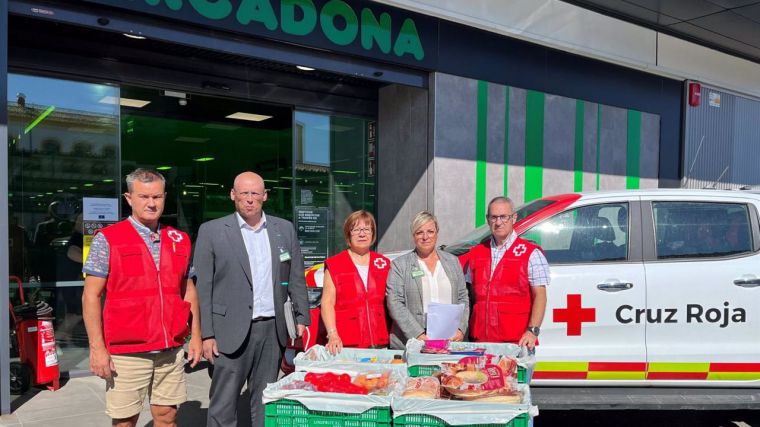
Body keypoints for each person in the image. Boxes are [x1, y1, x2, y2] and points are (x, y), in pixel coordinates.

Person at [82, 168, 202, 427]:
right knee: (125, 421)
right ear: (129, 198)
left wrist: (196, 337)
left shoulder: (179, 240)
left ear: (165, 197)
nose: (151, 203)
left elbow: (188, 290)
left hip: (169, 349)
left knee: (167, 416)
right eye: (144, 196)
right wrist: (97, 349)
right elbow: (91, 296)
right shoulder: (108, 239)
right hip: (127, 351)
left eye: (157, 197)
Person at [194, 171, 310, 427]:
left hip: (272, 329)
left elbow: (295, 276)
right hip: (228, 330)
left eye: (255, 193)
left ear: (265, 196)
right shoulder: (212, 231)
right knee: (223, 404)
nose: (249, 199)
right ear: (233, 195)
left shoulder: (284, 229)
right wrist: (206, 334)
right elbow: (204, 286)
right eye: (244, 193)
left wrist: (302, 317)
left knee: (265, 399)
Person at [467, 197, 548, 349]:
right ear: (487, 219)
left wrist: (532, 331)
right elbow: (469, 297)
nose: (498, 222)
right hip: (481, 342)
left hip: (517, 342)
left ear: (514, 218)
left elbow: (540, 296)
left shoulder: (531, 254)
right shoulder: (476, 253)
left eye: (504, 216)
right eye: (494, 217)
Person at [386, 211, 469, 349]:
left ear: (437, 233)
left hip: (450, 340)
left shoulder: (453, 262)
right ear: (413, 236)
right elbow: (394, 302)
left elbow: (463, 298)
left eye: (430, 231)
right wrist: (417, 334)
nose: (425, 237)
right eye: (419, 232)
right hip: (413, 342)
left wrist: (461, 328)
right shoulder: (400, 265)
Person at [320, 210, 390, 355]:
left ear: (373, 234)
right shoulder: (335, 264)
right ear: (348, 235)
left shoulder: (383, 263)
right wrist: (332, 334)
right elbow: (327, 302)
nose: (362, 234)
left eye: (366, 229)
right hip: (346, 343)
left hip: (381, 341)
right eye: (356, 229)